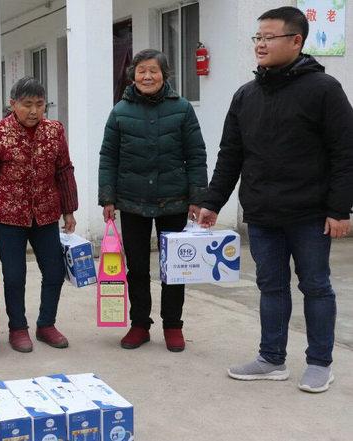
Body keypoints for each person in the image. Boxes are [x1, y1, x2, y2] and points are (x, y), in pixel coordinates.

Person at [197, 7, 353, 393]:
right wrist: (212, 202)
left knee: (315, 286)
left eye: (269, 38)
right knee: (271, 286)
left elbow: (345, 152)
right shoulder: (246, 95)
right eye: (258, 38)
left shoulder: (324, 90)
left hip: (310, 214)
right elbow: (231, 154)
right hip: (263, 212)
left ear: (296, 41)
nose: (260, 45)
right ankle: (271, 359)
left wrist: (339, 209)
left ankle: (320, 362)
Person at [98, 49, 207, 353]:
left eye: (153, 71)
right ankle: (139, 324)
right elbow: (108, 157)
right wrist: (107, 197)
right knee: (137, 268)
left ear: (164, 75)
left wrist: (197, 197)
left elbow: (196, 155)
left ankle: (173, 325)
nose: (147, 76)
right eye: (141, 71)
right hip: (132, 201)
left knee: (175, 268)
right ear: (133, 75)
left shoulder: (182, 109)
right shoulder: (120, 112)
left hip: (174, 200)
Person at [0, 77, 78, 353]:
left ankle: (46, 324)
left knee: (54, 272)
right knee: (15, 276)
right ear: (12, 104)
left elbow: (64, 170)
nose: (34, 111)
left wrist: (69, 211)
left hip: (46, 215)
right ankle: (17, 328)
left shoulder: (55, 131)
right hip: (9, 217)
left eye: (39, 104)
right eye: (27, 104)